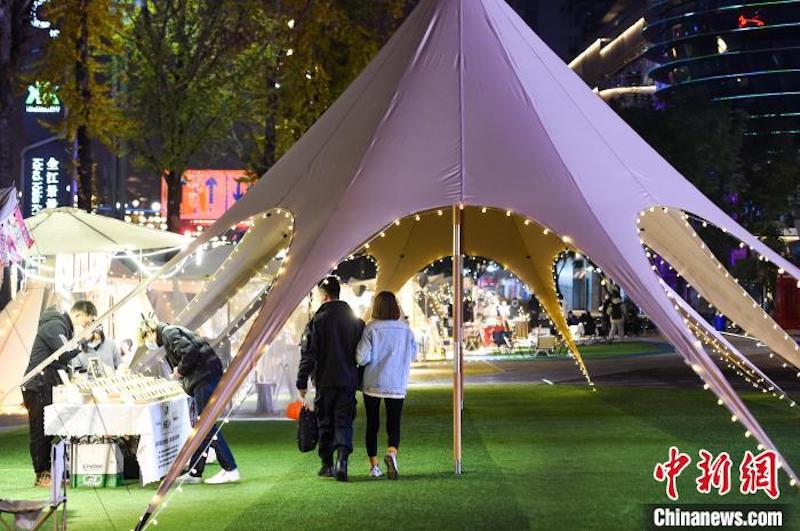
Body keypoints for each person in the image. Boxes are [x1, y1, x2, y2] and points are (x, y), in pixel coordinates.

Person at [137, 318, 240, 485]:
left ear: (149, 333)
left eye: (146, 340)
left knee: (205, 426)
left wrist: (179, 371)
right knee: (202, 427)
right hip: (206, 376)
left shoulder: (169, 334)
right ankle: (195, 472)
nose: (148, 344)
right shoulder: (171, 332)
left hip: (203, 378)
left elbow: (190, 352)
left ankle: (230, 468)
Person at [297, 276, 365, 482]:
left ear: (324, 296)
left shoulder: (316, 321)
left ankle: (327, 464)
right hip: (347, 380)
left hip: (324, 381)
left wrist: (302, 381)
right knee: (344, 420)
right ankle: (342, 459)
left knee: (325, 421)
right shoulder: (355, 322)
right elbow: (363, 354)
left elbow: (308, 353)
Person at [23, 300, 97, 487]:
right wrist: (82, 340)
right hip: (37, 385)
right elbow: (65, 353)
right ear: (78, 315)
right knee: (40, 430)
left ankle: (49, 471)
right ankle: (42, 474)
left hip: (46, 384)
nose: (86, 326)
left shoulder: (62, 326)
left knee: (50, 428)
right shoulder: (55, 325)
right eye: (87, 322)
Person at [355, 291, 417, 479]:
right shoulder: (406, 330)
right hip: (397, 383)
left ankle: (374, 467)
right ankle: (392, 452)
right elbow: (413, 356)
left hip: (373, 382)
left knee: (372, 424)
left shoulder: (370, 328)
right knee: (394, 422)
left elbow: (361, 357)